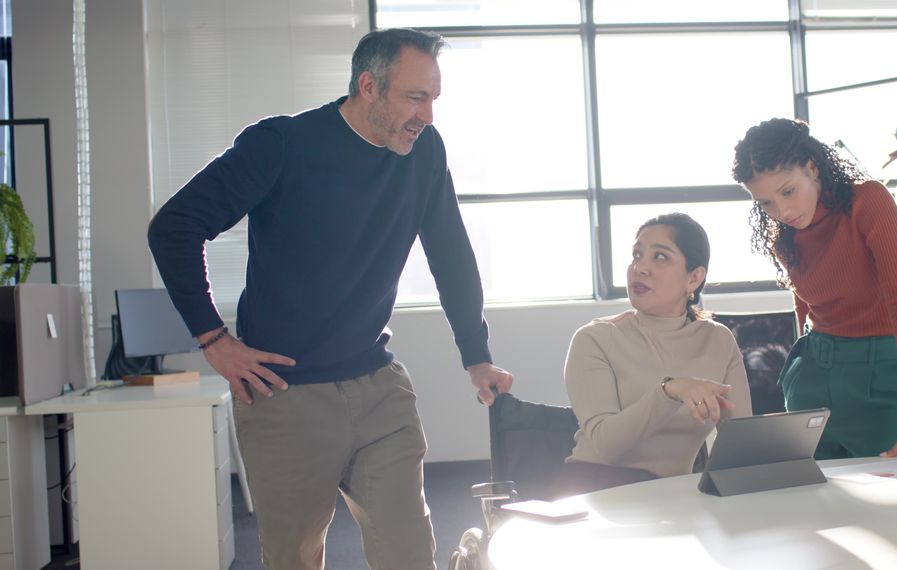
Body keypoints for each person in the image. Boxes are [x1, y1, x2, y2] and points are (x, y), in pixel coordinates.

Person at [147, 28, 513, 570]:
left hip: (378, 388)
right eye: (415, 97)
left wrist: (476, 353)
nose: (427, 116)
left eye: (433, 99)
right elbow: (175, 227)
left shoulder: (424, 152)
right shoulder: (282, 145)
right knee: (294, 558)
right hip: (284, 395)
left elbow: (451, 252)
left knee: (410, 552)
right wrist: (213, 338)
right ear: (369, 86)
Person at [731, 117, 897, 461]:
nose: (781, 211)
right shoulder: (783, 236)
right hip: (812, 381)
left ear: (812, 168)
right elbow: (805, 305)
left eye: (787, 191)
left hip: (882, 381)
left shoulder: (868, 202)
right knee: (817, 507)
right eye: (765, 203)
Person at [550, 213, 752, 498]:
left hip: (673, 496)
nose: (640, 268)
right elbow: (606, 444)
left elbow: (740, 439)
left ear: (694, 277)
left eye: (659, 257)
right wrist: (668, 392)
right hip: (598, 490)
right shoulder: (595, 338)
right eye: (636, 255)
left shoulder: (717, 339)